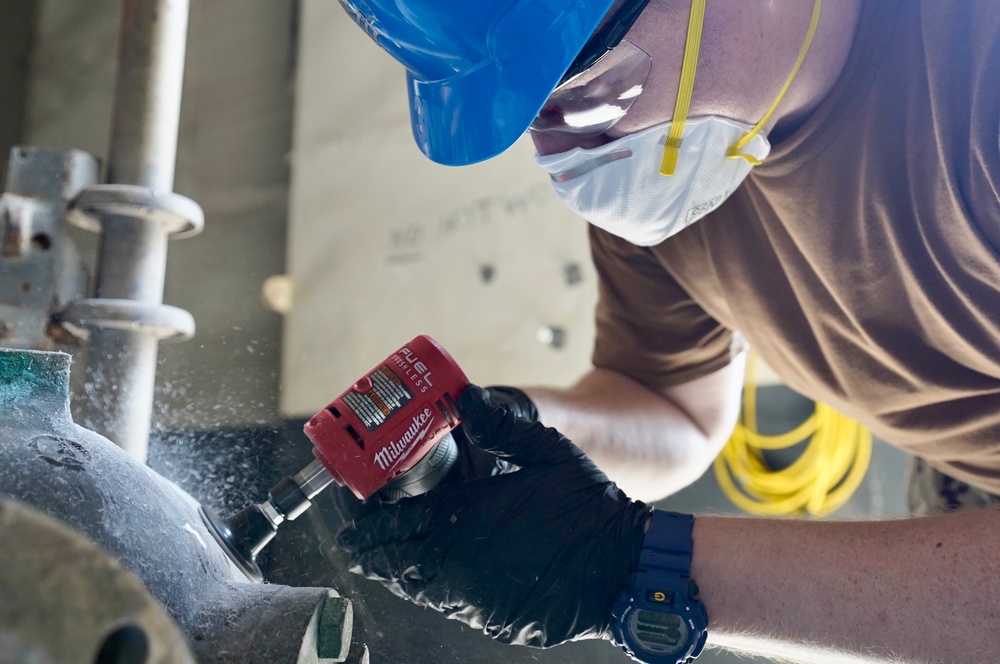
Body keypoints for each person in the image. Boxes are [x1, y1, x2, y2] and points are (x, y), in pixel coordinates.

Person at [332, 0, 1000, 662]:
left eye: (586, 95)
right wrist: (504, 437)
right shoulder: (672, 163)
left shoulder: (978, 75)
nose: (569, 156)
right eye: (535, 120)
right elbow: (671, 403)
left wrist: (636, 568)